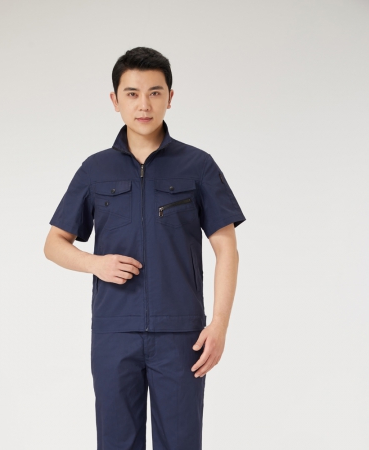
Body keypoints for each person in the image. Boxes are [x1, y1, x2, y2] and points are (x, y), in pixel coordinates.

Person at [44, 46, 246, 450]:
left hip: (181, 334)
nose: (144, 104)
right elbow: (54, 244)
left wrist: (219, 324)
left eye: (155, 92)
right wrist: (96, 263)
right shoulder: (95, 170)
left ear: (170, 97)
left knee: (181, 443)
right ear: (115, 100)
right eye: (132, 93)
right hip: (114, 330)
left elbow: (227, 249)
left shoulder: (198, 166)